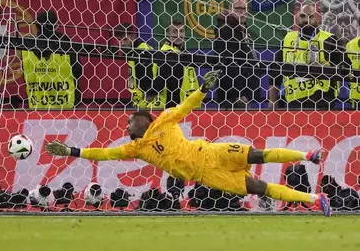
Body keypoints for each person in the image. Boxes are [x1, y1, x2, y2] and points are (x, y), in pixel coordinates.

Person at [45, 70, 332, 216]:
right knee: (258, 188)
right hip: (206, 174)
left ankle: (308, 154)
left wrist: (203, 89)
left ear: (145, 120)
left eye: (131, 121)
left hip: (212, 150)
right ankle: (316, 199)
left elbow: (185, 106)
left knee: (259, 155)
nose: (127, 124)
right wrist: (71, 150)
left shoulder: (165, 120)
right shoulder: (136, 148)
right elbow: (105, 154)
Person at [269, 2, 346, 110]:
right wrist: (272, 101)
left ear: (318, 18)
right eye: (302, 16)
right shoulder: (288, 39)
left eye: (310, 16)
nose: (306, 20)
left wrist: (328, 68)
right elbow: (275, 72)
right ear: (297, 18)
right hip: (293, 103)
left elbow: (346, 68)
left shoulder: (330, 40)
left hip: (322, 103)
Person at [213, 0, 259, 109]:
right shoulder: (226, 29)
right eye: (237, 8)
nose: (241, 12)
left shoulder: (242, 29)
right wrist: (239, 94)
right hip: (232, 97)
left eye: (244, 8)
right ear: (230, 8)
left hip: (243, 92)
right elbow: (228, 64)